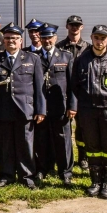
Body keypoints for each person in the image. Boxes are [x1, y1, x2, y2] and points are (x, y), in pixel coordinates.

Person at [0, 23, 46, 190]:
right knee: (5, 145)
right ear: (3, 40)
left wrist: (41, 110)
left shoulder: (33, 59)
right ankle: (6, 175)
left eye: (14, 38)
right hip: (3, 110)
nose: (10, 41)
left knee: (26, 144)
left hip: (25, 110)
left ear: (21, 40)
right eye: (7, 38)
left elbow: (39, 87)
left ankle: (27, 176)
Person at [71, 25, 107, 199]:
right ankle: (95, 182)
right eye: (96, 37)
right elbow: (75, 86)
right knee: (92, 147)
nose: (99, 41)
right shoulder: (81, 60)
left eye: (103, 38)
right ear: (92, 38)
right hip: (88, 110)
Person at [34, 24, 76, 187]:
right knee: (41, 139)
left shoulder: (66, 57)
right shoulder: (33, 56)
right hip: (41, 107)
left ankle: (65, 172)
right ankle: (42, 169)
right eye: (43, 37)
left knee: (63, 140)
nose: (46, 40)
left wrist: (73, 105)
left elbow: (73, 84)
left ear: (55, 38)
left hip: (61, 106)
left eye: (49, 37)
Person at [56, 14, 91, 170]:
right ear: (67, 26)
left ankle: (83, 157)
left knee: (83, 128)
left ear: (82, 27)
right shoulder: (60, 47)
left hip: (83, 93)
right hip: (65, 93)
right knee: (65, 129)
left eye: (77, 25)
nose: (74, 27)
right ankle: (64, 158)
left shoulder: (88, 48)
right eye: (72, 25)